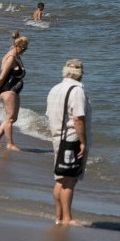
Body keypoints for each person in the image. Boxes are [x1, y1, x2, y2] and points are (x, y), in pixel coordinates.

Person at [46, 59, 91, 226]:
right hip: (72, 139)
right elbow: (78, 118)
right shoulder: (77, 91)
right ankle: (67, 218)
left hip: (58, 138)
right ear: (80, 73)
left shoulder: (55, 89)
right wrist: (83, 142)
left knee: (59, 179)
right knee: (69, 181)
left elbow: (49, 115)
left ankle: (58, 216)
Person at [0, 31, 28, 151]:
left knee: (12, 118)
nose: (25, 50)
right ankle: (10, 143)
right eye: (24, 48)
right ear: (18, 46)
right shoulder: (11, 58)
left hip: (13, 90)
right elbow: (2, 76)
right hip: (8, 89)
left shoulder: (15, 54)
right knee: (11, 118)